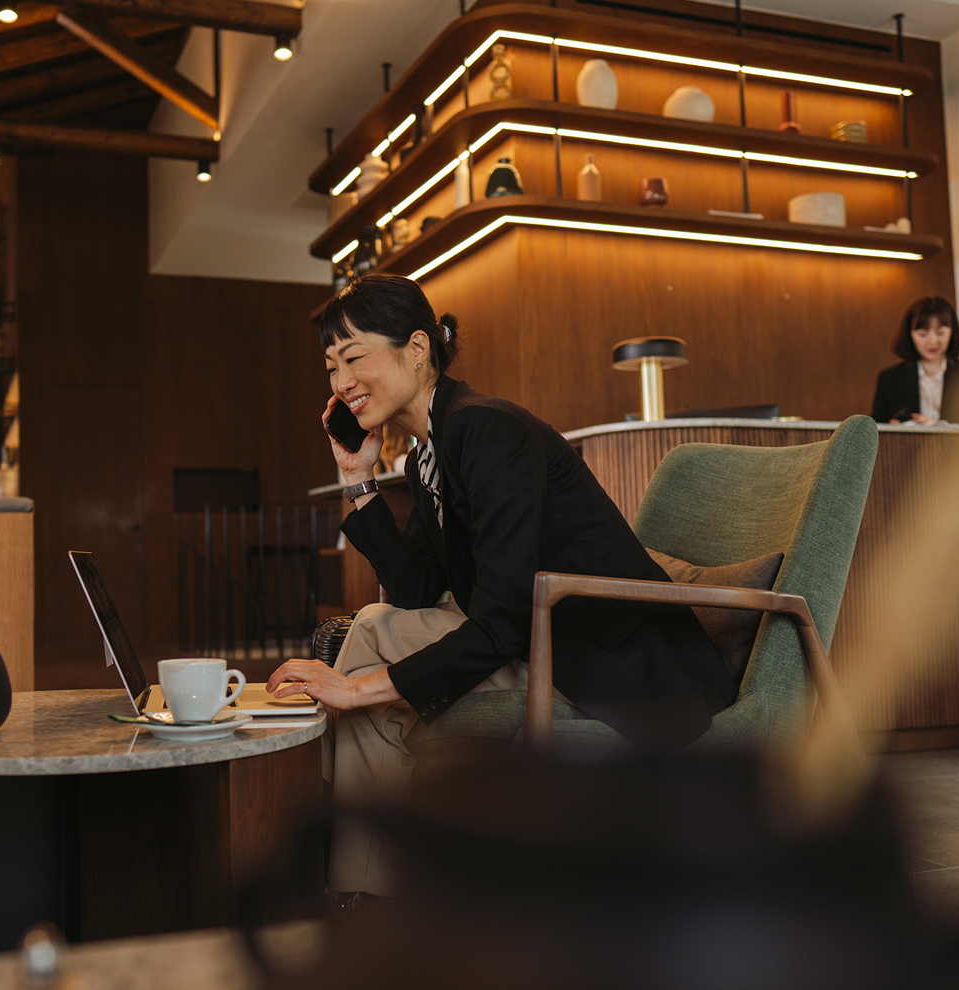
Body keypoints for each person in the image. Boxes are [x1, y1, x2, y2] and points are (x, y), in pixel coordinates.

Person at [265, 272, 732, 897]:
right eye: (330, 367)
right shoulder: (428, 452)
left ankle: (353, 877)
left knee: (369, 693)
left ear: (417, 348)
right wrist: (358, 476)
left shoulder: (486, 430)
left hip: (611, 666)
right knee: (376, 629)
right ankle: (370, 889)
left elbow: (504, 616)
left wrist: (359, 691)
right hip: (541, 641)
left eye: (352, 357)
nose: (341, 382)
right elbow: (413, 588)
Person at [870, 296, 959, 425]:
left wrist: (937, 426)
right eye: (922, 334)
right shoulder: (889, 378)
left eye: (940, 333)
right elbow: (877, 431)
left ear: (952, 332)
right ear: (910, 334)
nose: (932, 342)